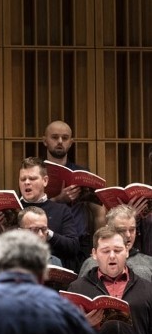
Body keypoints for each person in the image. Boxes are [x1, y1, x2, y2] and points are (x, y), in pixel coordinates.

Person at [68, 226, 152, 334]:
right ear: (94, 254)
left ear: (127, 251)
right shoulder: (77, 288)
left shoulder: (147, 288)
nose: (112, 256)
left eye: (118, 250)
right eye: (105, 251)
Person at [41, 120, 104, 261]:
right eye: (54, 137)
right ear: (45, 141)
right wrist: (58, 200)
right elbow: (27, 208)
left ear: (71, 142)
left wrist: (99, 245)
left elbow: (99, 211)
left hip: (79, 242)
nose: (60, 141)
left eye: (65, 138)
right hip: (44, 240)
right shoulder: (36, 173)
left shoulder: (82, 173)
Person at [18, 156, 80, 269]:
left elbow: (73, 247)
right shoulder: (13, 209)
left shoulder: (61, 210)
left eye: (32, 179)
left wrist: (46, 233)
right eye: (23, 179)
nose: (27, 182)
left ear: (45, 181)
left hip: (53, 273)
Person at [79, 204, 152, 281]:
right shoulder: (91, 264)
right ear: (108, 229)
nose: (128, 235)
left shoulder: (149, 263)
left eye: (132, 230)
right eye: (122, 230)